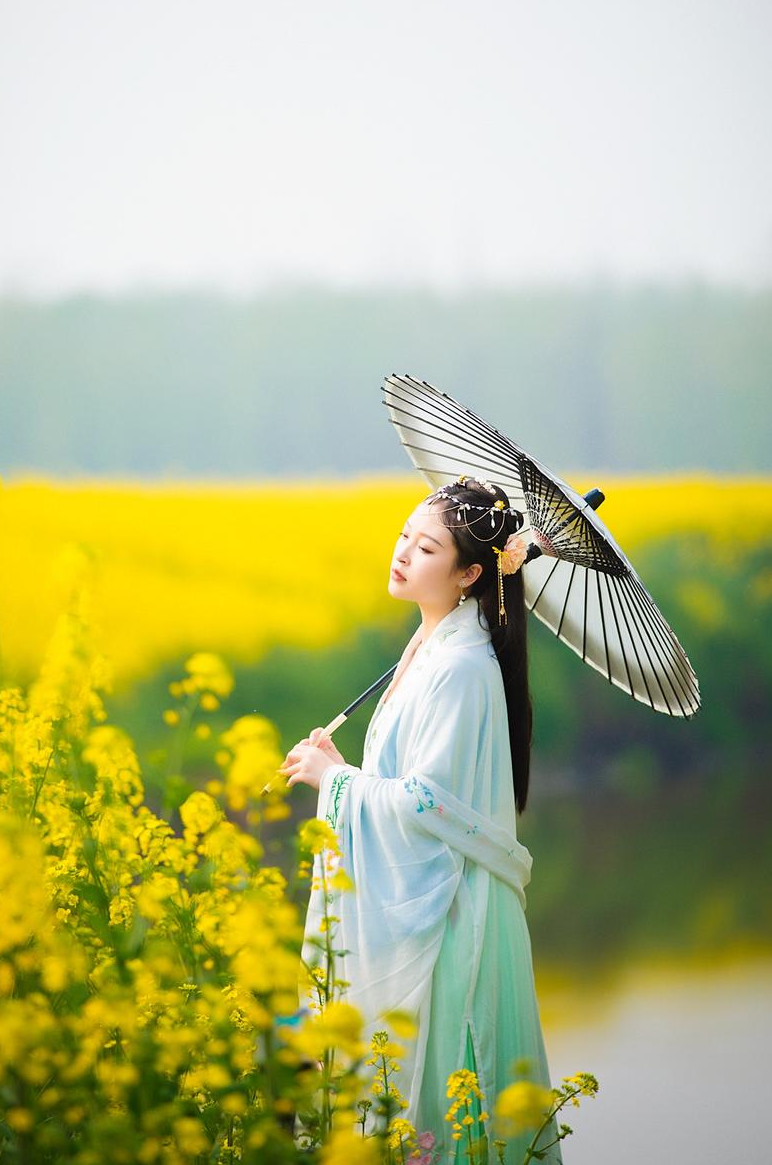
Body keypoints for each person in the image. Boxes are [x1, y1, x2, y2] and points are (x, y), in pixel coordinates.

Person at [279, 475, 564, 1162]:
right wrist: (349, 769)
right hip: (434, 904)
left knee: (441, 1105)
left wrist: (336, 782)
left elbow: (427, 805)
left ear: (469, 574)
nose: (403, 552)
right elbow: (414, 788)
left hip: (450, 925)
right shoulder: (428, 650)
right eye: (405, 535)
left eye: (427, 547)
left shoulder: (461, 666)